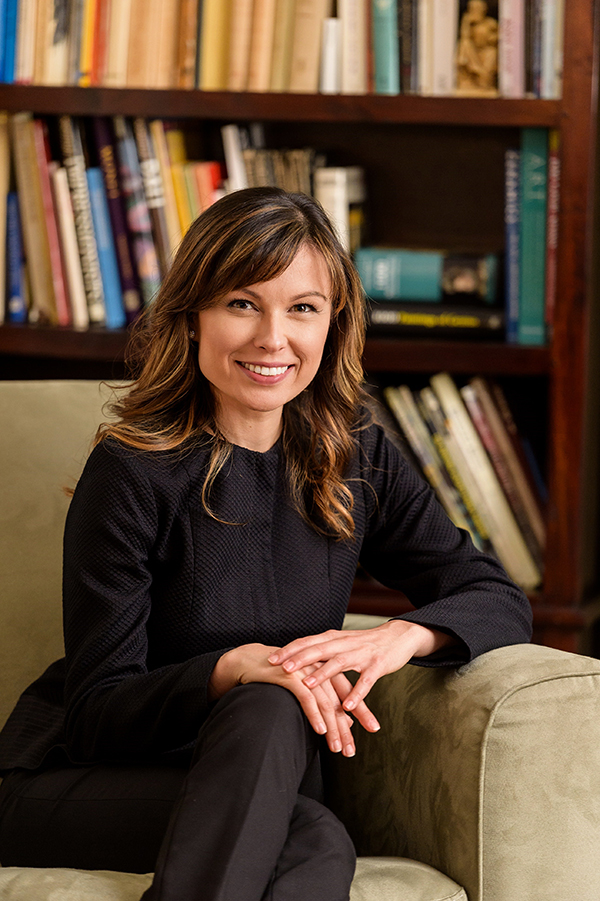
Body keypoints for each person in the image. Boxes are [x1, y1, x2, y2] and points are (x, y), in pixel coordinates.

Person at [0, 187, 532, 900]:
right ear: (192, 318)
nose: (272, 338)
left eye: (302, 308)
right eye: (242, 303)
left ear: (331, 326)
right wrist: (232, 667)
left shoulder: (358, 460)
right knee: (286, 742)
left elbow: (496, 595)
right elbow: (98, 714)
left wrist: (402, 637)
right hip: (73, 781)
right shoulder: (133, 470)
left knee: (309, 819)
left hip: (258, 773)